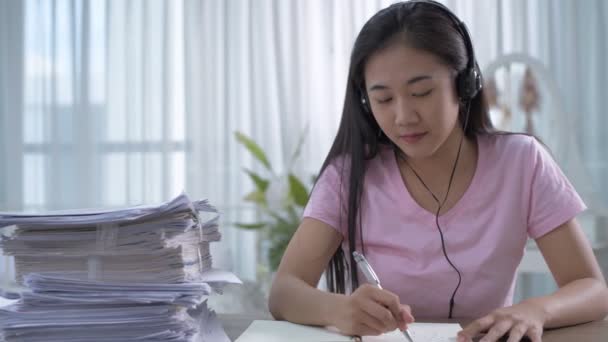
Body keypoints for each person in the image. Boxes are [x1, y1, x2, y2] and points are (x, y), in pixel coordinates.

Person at [267, 1, 608, 341]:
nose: (403, 117)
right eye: (384, 99)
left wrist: (535, 309)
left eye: (421, 92)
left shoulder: (522, 162)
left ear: (465, 85)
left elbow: (592, 288)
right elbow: (284, 291)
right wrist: (339, 310)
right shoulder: (348, 176)